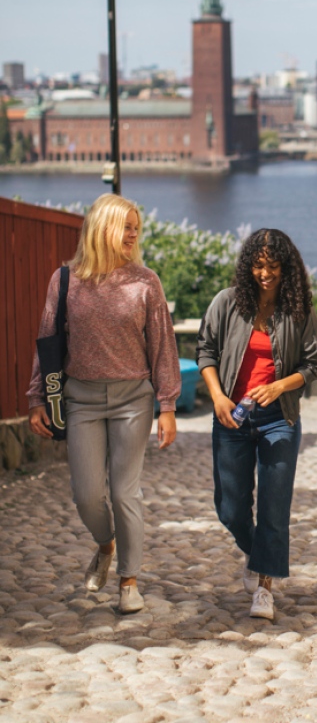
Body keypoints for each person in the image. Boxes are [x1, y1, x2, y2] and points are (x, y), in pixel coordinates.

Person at [28, 193, 180, 614]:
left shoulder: (145, 281)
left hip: (134, 399)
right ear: (101, 228)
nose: (133, 234)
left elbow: (163, 346)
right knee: (87, 493)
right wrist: (37, 396)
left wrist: (167, 405)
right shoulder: (65, 280)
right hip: (82, 399)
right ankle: (105, 543)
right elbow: (48, 343)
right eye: (125, 227)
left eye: (136, 228)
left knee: (124, 490)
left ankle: (128, 581)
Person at [196, 229, 317, 621]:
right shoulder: (227, 303)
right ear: (248, 265)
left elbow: (313, 364)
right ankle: (259, 554)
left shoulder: (299, 310)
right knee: (230, 507)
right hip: (231, 415)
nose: (265, 273)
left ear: (286, 268)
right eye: (258, 264)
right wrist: (218, 396)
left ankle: (265, 586)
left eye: (273, 266)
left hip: (279, 419)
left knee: (273, 506)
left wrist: (280, 385)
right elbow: (206, 351)